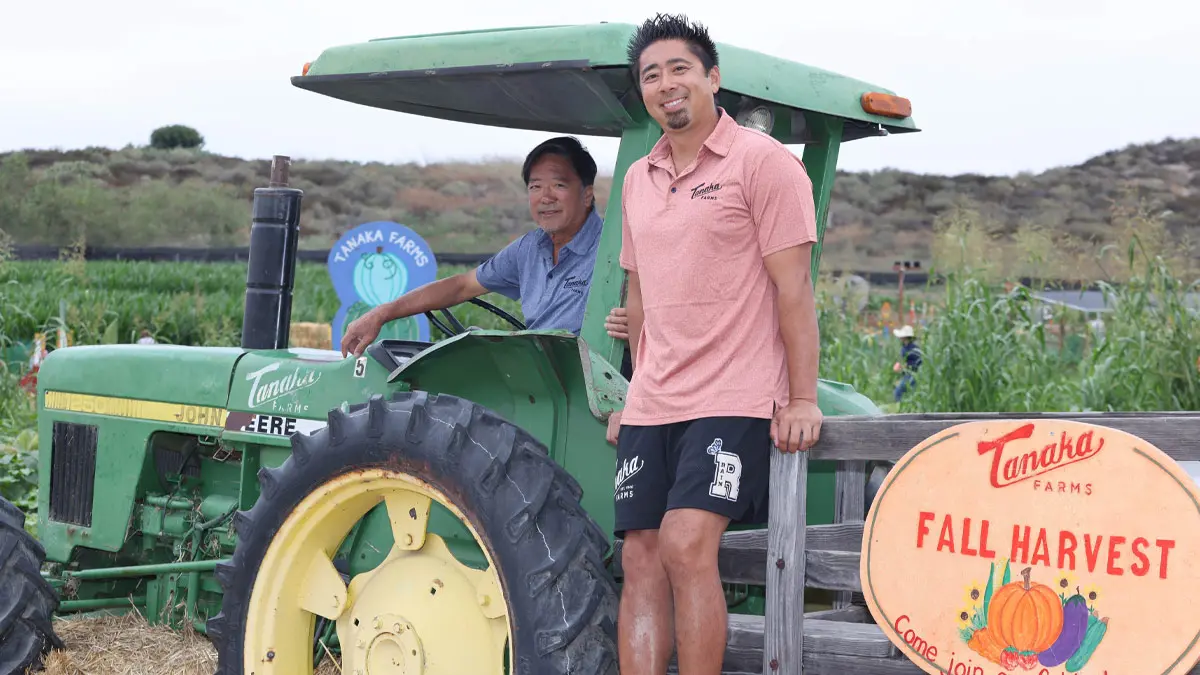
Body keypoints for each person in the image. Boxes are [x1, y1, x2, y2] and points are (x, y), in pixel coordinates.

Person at [607, 14, 824, 675]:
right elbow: (640, 302)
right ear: (642, 91)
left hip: (734, 392)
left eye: (679, 69)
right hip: (655, 400)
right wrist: (633, 393)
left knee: (684, 543)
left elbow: (795, 291)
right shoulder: (638, 181)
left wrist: (804, 397)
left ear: (712, 77)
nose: (666, 84)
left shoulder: (765, 164)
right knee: (639, 555)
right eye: (651, 75)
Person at [340, 136, 630, 363]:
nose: (546, 197)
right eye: (535, 186)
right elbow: (460, 286)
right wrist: (382, 313)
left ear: (587, 194)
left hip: (587, 390)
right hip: (539, 379)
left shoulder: (615, 249)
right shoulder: (528, 249)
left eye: (558, 185)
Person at [892, 324, 922, 401]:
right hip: (908, 374)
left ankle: (901, 411)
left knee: (898, 392)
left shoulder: (913, 348)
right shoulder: (906, 347)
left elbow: (918, 363)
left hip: (913, 374)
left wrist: (904, 366)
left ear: (904, 337)